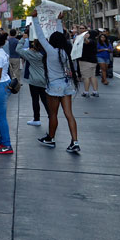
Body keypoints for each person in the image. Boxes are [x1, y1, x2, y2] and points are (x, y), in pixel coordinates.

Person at [31, 10, 81, 153]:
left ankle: (51, 138)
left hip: (54, 86)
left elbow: (40, 36)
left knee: (53, 114)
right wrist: (58, 21)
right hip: (66, 85)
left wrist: (35, 18)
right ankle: (75, 141)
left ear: (52, 41)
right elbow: (60, 36)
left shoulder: (51, 52)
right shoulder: (66, 52)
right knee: (69, 114)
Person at [16, 25, 49, 126]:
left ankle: (36, 119)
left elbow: (18, 49)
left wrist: (23, 38)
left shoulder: (31, 54)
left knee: (35, 99)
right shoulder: (48, 53)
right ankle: (51, 116)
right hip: (44, 79)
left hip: (33, 80)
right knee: (45, 100)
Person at [78, 31, 99, 97]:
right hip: (93, 61)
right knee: (92, 76)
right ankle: (95, 91)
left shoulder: (91, 41)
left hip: (86, 61)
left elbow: (87, 42)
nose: (86, 34)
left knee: (86, 77)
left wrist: (84, 38)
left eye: (88, 33)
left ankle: (86, 92)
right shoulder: (95, 41)